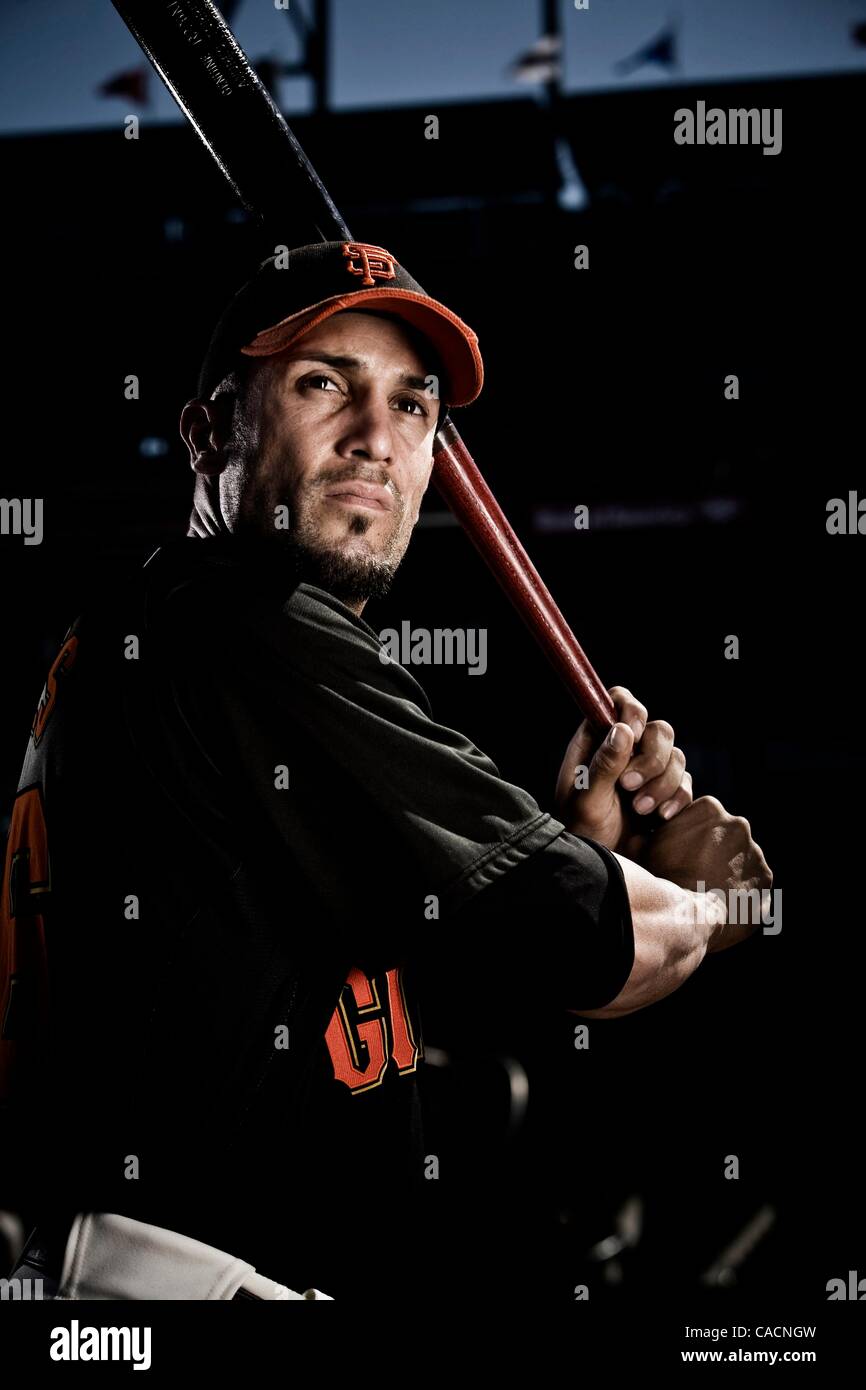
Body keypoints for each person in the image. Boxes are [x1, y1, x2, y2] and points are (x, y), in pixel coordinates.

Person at [0, 240, 771, 1301]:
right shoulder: (239, 619)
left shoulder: (183, 645)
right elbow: (600, 947)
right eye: (326, 384)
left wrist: (586, 855)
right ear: (204, 432)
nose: (376, 437)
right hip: (179, 1282)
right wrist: (702, 894)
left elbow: (502, 981)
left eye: (413, 407)